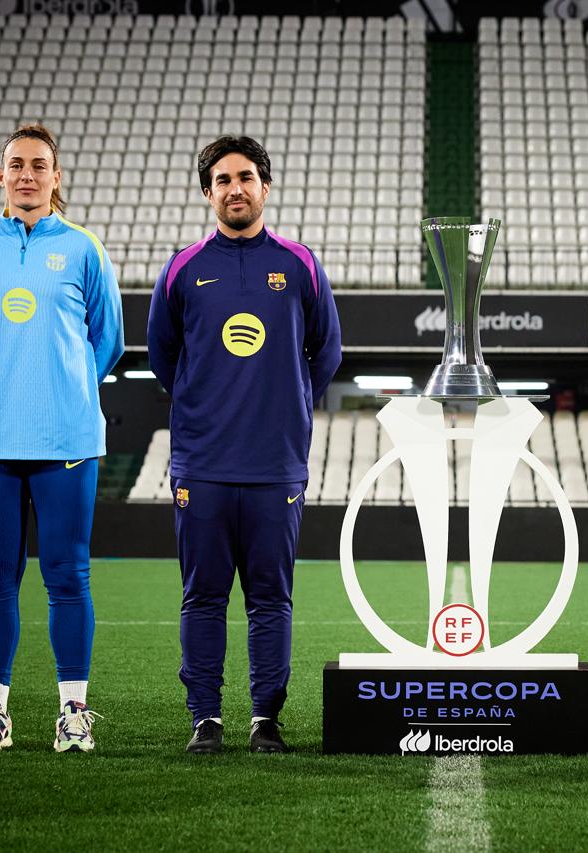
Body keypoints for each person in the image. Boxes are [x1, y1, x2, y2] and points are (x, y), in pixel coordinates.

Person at [147, 135, 342, 754]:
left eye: (247, 177)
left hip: (274, 465)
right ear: (208, 193)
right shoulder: (182, 267)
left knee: (269, 599)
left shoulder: (301, 264)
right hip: (200, 464)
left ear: (265, 186)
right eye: (223, 180)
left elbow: (326, 352)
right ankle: (205, 718)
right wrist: (206, 406)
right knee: (202, 596)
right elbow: (162, 357)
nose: (236, 188)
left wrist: (283, 407)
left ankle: (265, 719)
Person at [0, 124, 124, 753]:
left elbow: (108, 341)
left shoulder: (84, 248)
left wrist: (64, 386)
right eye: (16, 165)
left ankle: (72, 713)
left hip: (67, 437)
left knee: (68, 576)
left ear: (56, 177)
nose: (27, 174)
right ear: (1, 177)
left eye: (39, 165)